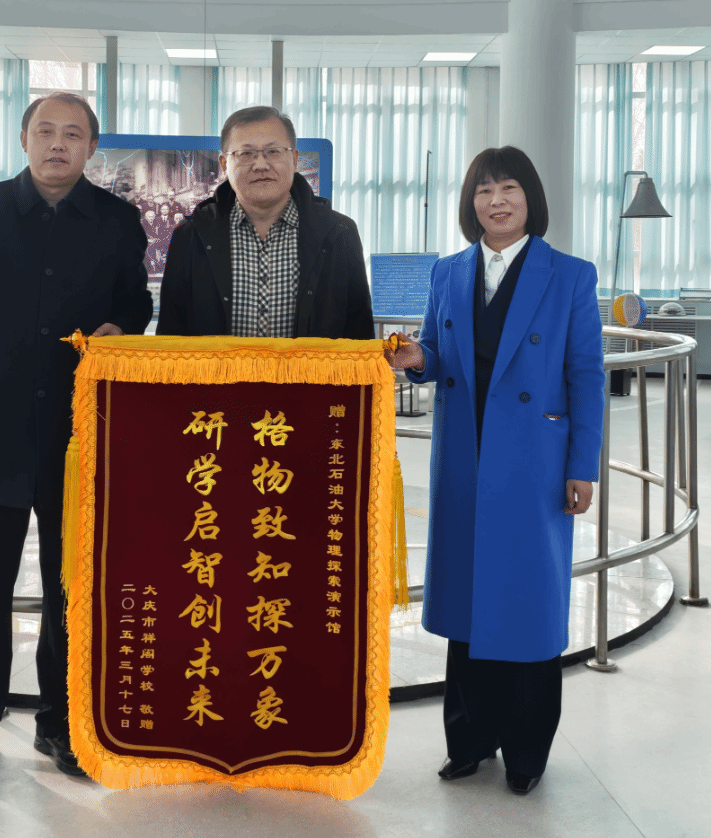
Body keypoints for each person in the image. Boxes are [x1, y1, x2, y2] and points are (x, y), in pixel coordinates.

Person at [0, 92, 153, 787]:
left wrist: (123, 327)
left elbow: (136, 300)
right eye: (46, 131)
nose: (59, 144)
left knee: (70, 590)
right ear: (23, 138)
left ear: (92, 148)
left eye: (73, 134)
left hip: (78, 434)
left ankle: (61, 725)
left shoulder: (117, 219)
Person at [386, 146, 605, 795]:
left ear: (530, 198)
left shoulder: (570, 275)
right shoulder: (448, 271)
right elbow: (436, 352)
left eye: (509, 188)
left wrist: (582, 464)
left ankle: (527, 753)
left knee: (527, 605)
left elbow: (586, 374)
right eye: (484, 191)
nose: (497, 201)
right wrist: (413, 357)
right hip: (464, 455)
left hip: (535, 461)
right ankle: (470, 742)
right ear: (471, 203)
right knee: (466, 604)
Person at [156, 106, 373, 339]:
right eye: (246, 153)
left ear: (294, 159)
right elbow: (170, 340)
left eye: (273, 151)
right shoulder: (191, 235)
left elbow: (359, 338)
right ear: (224, 164)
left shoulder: (339, 233)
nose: (260, 165)